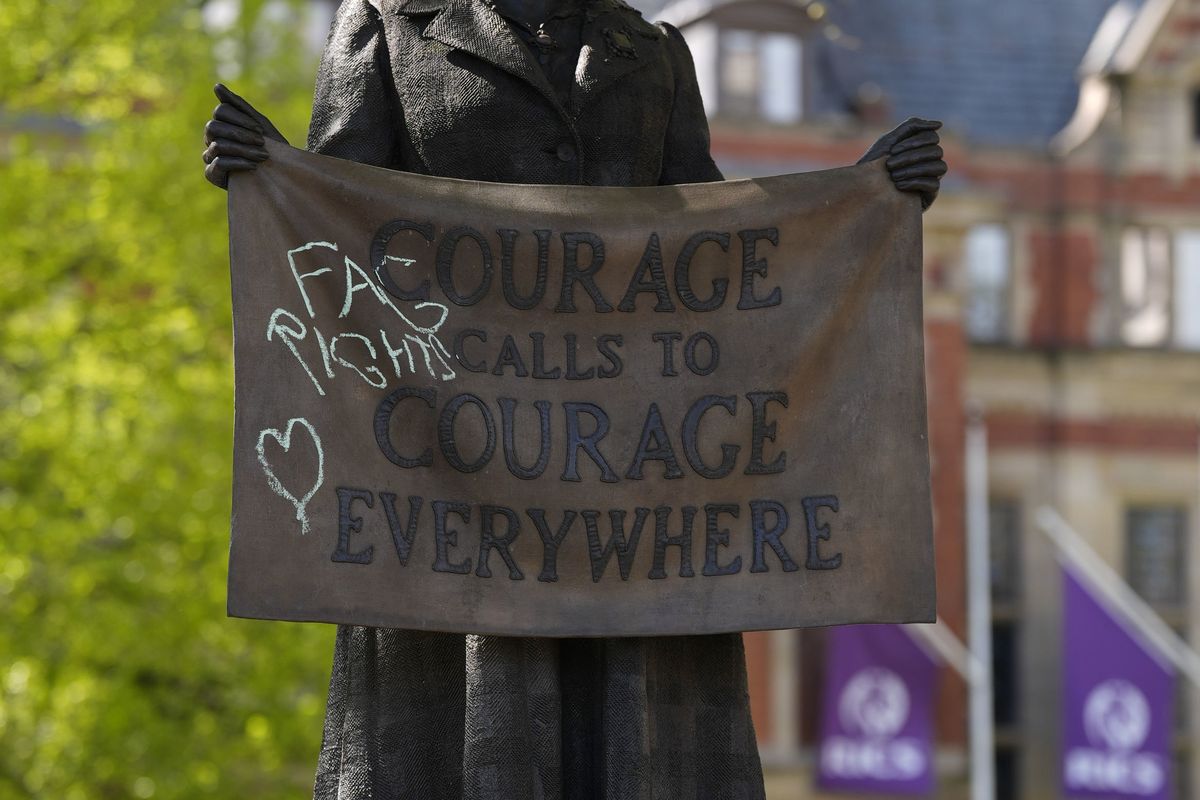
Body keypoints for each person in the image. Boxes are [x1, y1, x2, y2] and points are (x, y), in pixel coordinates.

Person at [203, 1, 946, 797]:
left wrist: (861, 210)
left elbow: (726, 272)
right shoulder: (388, 29)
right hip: (448, 504)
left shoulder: (655, 54)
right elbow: (336, 235)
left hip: (632, 506)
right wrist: (269, 173)